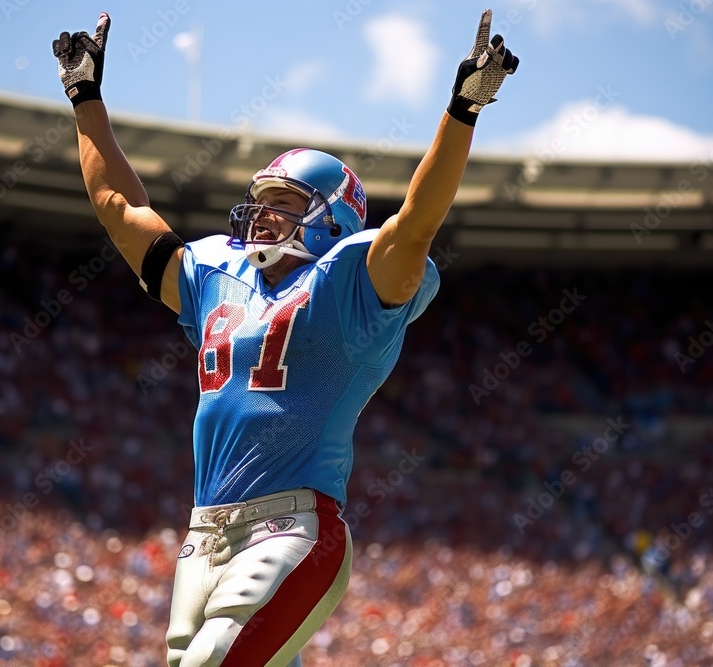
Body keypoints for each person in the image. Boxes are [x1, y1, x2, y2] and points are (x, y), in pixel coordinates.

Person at [52, 9, 518, 666]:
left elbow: (414, 224)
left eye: (286, 202)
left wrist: (462, 111)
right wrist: (86, 101)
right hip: (202, 534)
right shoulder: (218, 274)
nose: (264, 214)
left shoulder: (347, 287)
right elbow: (119, 208)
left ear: (330, 219)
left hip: (293, 527)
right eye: (263, 197)